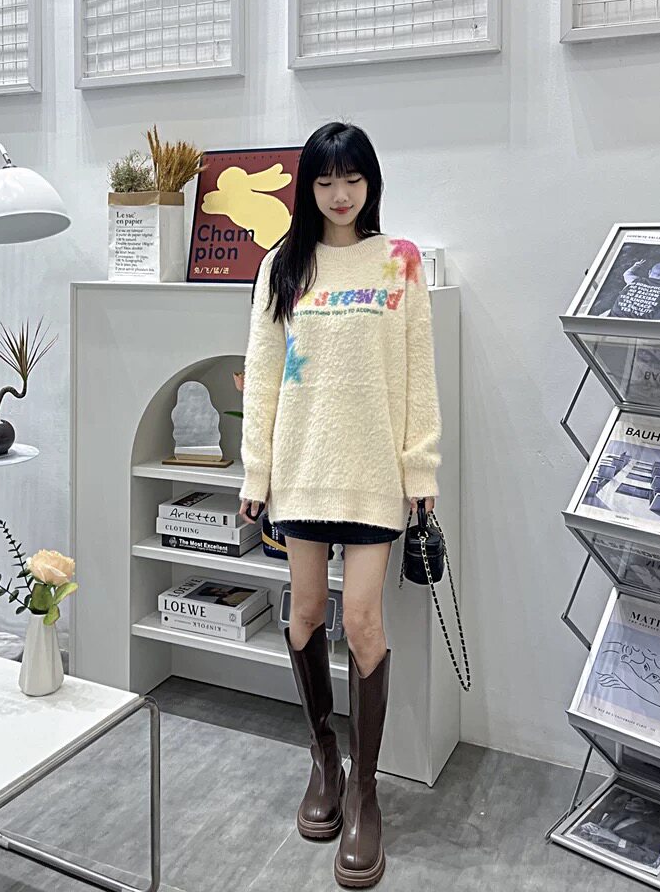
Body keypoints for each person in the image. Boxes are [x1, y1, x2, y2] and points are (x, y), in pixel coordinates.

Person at [238, 121, 441, 889]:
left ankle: (365, 792)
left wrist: (420, 469)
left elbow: (418, 374)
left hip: (372, 473)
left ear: (370, 181)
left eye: (352, 178)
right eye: (325, 181)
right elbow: (263, 372)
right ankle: (324, 760)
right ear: (308, 188)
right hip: (301, 469)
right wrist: (256, 473)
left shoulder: (400, 262)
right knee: (303, 614)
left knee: (362, 621)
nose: (339, 193)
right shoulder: (283, 265)